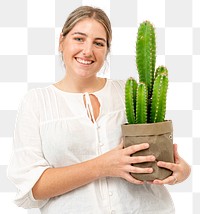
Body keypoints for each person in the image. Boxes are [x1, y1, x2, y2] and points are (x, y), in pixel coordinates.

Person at [7, 6, 191, 214]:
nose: (87, 51)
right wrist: (103, 166)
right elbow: (33, 187)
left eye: (98, 43)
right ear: (61, 41)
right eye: (79, 39)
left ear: (106, 50)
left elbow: (160, 155)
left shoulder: (130, 91)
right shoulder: (37, 102)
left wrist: (182, 171)